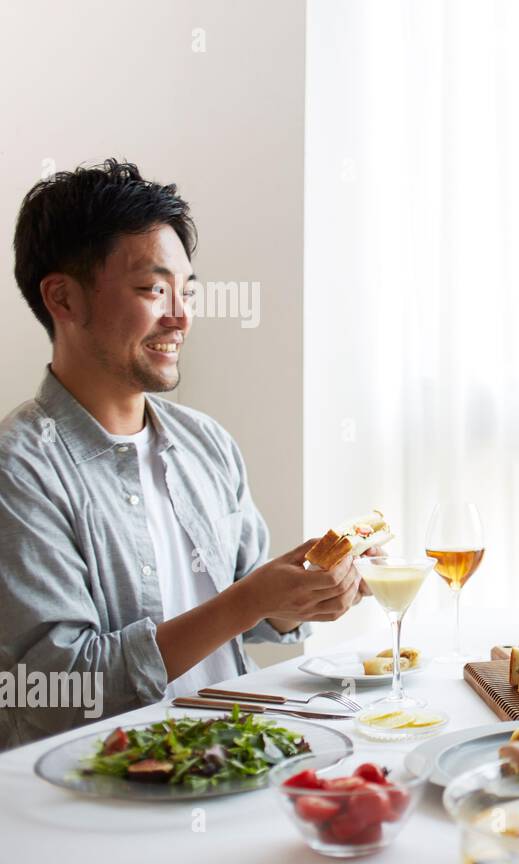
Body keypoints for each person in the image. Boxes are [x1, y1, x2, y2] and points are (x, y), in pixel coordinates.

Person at [0, 159, 366, 750]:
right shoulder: (18, 470)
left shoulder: (206, 443)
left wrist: (299, 599)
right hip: (107, 800)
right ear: (63, 298)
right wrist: (249, 602)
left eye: (186, 291)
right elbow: (54, 690)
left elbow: (246, 613)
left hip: (235, 760)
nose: (180, 315)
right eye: (153, 289)